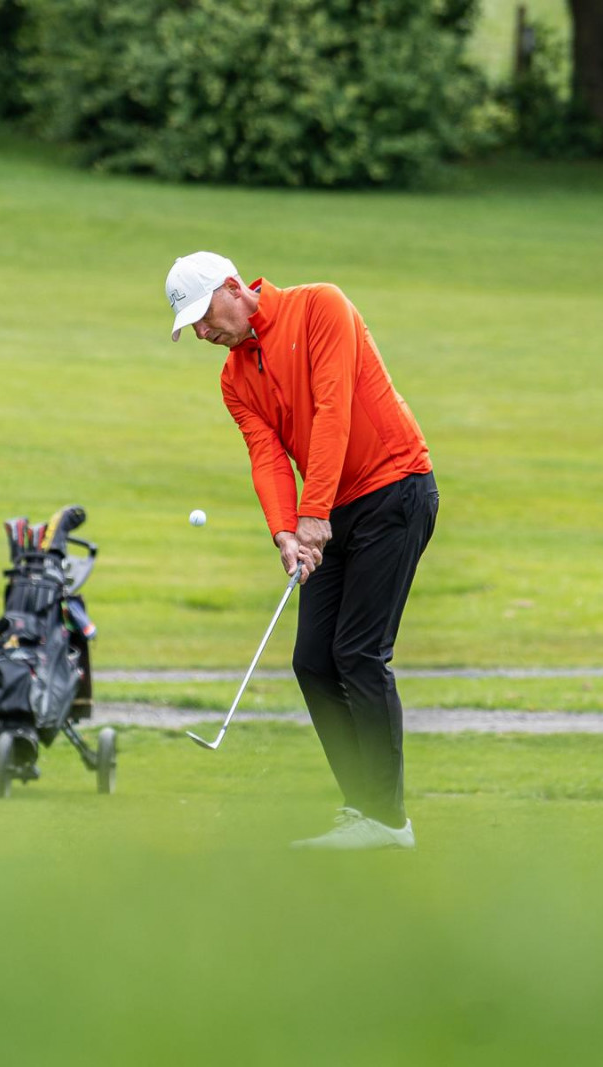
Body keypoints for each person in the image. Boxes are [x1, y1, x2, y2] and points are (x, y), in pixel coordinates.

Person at [165, 251, 438, 851]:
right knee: (313, 661)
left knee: (360, 654)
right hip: (330, 510)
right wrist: (286, 531)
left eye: (205, 317)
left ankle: (388, 822)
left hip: (394, 489)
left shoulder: (322, 306)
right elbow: (266, 456)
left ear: (234, 288)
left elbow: (333, 409)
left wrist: (314, 514)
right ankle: (362, 809)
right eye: (193, 328)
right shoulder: (235, 379)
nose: (204, 334)